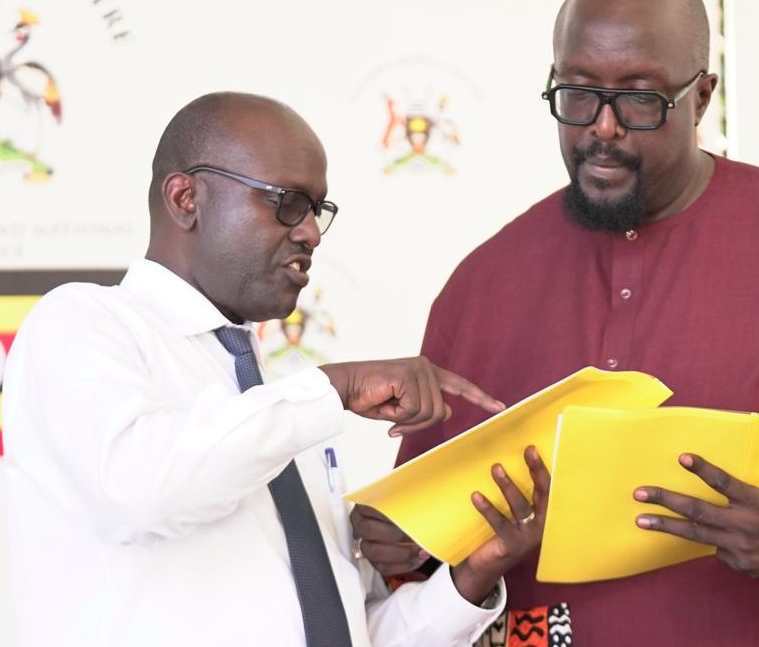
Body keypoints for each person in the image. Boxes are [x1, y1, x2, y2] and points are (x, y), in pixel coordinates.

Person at [351, 0, 759, 647]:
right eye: (578, 94)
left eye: (639, 100)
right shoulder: (482, 284)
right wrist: (404, 549)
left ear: (700, 98)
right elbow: (422, 558)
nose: (603, 128)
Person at [2, 91, 551, 647]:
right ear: (186, 198)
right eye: (288, 202)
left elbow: (347, 633)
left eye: (317, 209)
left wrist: (473, 574)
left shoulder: (283, 409)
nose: (311, 232)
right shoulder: (79, 324)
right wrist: (334, 389)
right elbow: (138, 492)